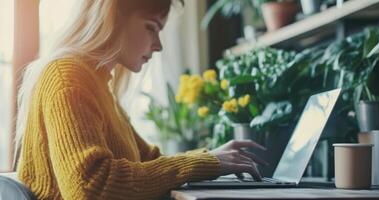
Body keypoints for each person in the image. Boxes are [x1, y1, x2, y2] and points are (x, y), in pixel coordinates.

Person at [15, 0, 267, 199]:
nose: (158, 46)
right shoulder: (67, 77)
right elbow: (90, 187)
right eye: (151, 27)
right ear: (112, 17)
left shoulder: (99, 86)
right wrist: (207, 163)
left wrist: (214, 158)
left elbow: (149, 160)